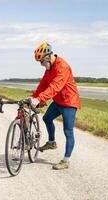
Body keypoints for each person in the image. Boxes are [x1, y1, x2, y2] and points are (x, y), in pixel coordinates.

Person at [29, 42, 81, 170]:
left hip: (69, 102)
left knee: (68, 131)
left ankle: (66, 160)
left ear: (47, 57)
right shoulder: (49, 69)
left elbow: (55, 87)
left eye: (41, 62)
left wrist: (40, 99)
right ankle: (52, 142)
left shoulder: (62, 66)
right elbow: (43, 85)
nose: (41, 65)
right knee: (47, 118)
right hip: (58, 102)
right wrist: (34, 97)